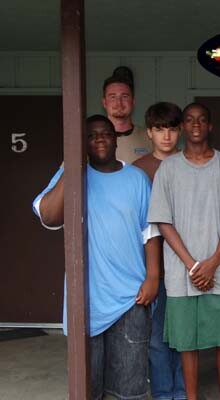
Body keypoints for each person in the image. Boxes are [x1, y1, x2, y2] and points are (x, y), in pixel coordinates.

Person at [32, 115, 160, 400]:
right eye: (91, 136)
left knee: (131, 385)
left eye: (105, 134)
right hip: (86, 299)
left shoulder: (136, 179)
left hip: (131, 296)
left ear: (116, 139)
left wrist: (153, 277)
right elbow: (49, 216)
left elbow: (150, 232)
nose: (99, 139)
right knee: (87, 385)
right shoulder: (72, 177)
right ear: (83, 143)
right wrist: (73, 166)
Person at [148, 103, 220, 400]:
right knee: (187, 343)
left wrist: (213, 262)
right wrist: (193, 265)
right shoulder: (169, 168)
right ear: (183, 127)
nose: (196, 124)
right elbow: (163, 221)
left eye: (202, 119)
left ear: (210, 126)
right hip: (182, 272)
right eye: (189, 120)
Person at [133, 102, 185, 400]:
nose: (166, 136)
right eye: (159, 129)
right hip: (153, 267)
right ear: (149, 132)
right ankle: (164, 393)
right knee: (156, 336)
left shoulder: (189, 163)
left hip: (187, 263)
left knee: (184, 334)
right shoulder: (137, 170)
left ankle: (183, 390)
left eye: (172, 129)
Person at [102, 66, 151, 162]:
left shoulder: (150, 137)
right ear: (104, 102)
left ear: (133, 101)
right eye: (112, 97)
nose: (119, 103)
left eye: (124, 96)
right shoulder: (92, 140)